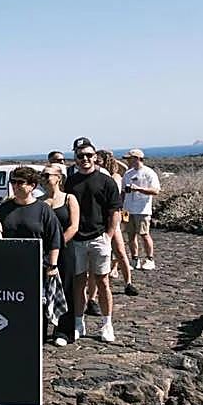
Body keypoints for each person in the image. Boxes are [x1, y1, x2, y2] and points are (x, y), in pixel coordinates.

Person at [65, 137, 121, 343]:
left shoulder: (106, 181)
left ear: (96, 157)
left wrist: (108, 236)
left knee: (102, 282)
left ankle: (107, 324)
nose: (85, 159)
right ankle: (78, 323)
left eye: (89, 155)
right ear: (76, 158)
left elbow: (115, 210)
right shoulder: (70, 182)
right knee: (78, 282)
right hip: (77, 240)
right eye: (81, 156)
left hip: (99, 238)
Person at [0, 167, 64, 338]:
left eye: (20, 183)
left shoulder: (43, 210)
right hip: (9, 267)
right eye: (13, 182)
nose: (15, 186)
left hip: (37, 267)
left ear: (32, 185)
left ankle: (37, 339)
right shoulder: (4, 208)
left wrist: (52, 266)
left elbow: (55, 239)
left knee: (37, 306)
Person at [41, 163, 79, 346]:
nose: (45, 179)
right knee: (43, 291)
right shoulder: (40, 202)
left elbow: (74, 226)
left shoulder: (69, 199)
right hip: (44, 253)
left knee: (66, 288)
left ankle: (63, 331)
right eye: (43, 175)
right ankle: (41, 329)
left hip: (65, 250)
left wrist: (57, 244)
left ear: (59, 178)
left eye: (48, 175)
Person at [95, 150, 137, 298]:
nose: (96, 163)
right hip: (101, 216)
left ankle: (128, 282)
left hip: (112, 215)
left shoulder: (114, 177)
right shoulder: (96, 176)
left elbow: (125, 169)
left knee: (119, 250)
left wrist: (113, 159)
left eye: (99, 160)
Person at [122, 148, 161, 270]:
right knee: (130, 235)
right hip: (127, 209)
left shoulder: (149, 173)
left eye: (129, 159)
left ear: (137, 159)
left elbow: (155, 190)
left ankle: (150, 259)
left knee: (144, 234)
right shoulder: (127, 174)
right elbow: (123, 192)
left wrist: (138, 189)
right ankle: (135, 259)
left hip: (142, 210)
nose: (128, 161)